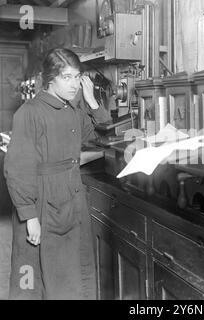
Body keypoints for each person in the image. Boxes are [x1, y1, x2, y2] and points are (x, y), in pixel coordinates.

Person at [4, 48, 111, 300]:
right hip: (42, 202)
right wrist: (29, 215)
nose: (74, 84)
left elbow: (102, 137)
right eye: (67, 77)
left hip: (71, 199)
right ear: (50, 78)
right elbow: (17, 168)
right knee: (35, 276)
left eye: (77, 77)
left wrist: (92, 101)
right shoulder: (29, 113)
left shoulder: (71, 111)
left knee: (72, 270)